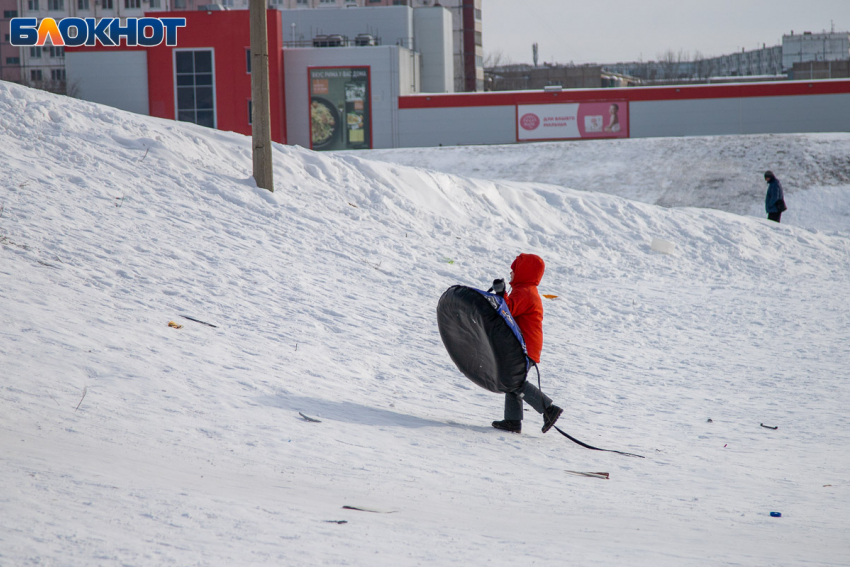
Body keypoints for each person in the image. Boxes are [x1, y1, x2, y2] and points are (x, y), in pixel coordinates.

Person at [490, 253, 563, 434]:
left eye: (514, 269)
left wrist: (500, 294)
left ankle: (548, 409)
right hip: (526, 346)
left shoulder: (525, 292)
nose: (511, 272)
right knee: (513, 379)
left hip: (524, 347)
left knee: (513, 380)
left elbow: (508, 311)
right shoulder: (526, 290)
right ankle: (512, 421)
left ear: (524, 272)